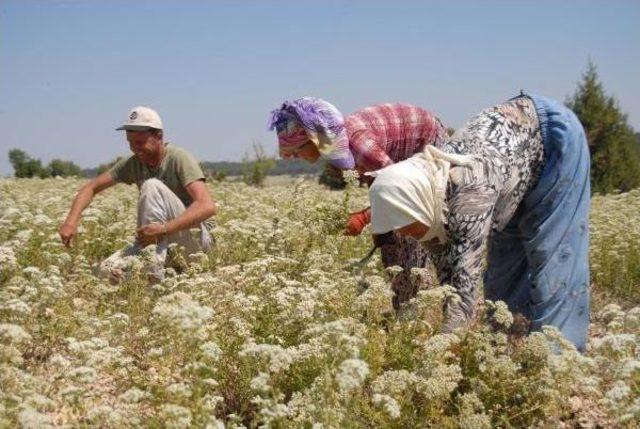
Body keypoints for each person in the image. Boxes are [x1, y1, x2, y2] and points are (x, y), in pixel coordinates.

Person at [368, 92, 591, 351]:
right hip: (510, 165)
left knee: (552, 259)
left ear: (415, 204)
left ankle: (558, 360)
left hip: (552, 140)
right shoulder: (429, 197)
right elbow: (447, 274)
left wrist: (438, 353)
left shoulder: (469, 196)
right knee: (502, 273)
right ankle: (506, 349)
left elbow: (463, 288)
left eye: (403, 223)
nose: (404, 233)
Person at [268, 97, 448, 307]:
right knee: (390, 241)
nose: (293, 158)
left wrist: (365, 217)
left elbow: (399, 191)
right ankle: (405, 303)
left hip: (426, 144)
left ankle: (416, 306)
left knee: (410, 233)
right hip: (394, 164)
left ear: (314, 140)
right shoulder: (334, 145)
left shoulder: (361, 146)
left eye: (296, 151)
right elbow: (378, 182)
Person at [58, 106, 217, 282]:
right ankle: (157, 272)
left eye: (140, 142)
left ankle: (153, 280)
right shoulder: (133, 163)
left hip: (195, 245)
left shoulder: (179, 158)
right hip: (159, 240)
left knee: (151, 186)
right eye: (130, 142)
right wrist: (71, 222)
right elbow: (90, 188)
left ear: (159, 136)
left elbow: (206, 205)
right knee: (104, 271)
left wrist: (163, 229)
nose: (134, 148)